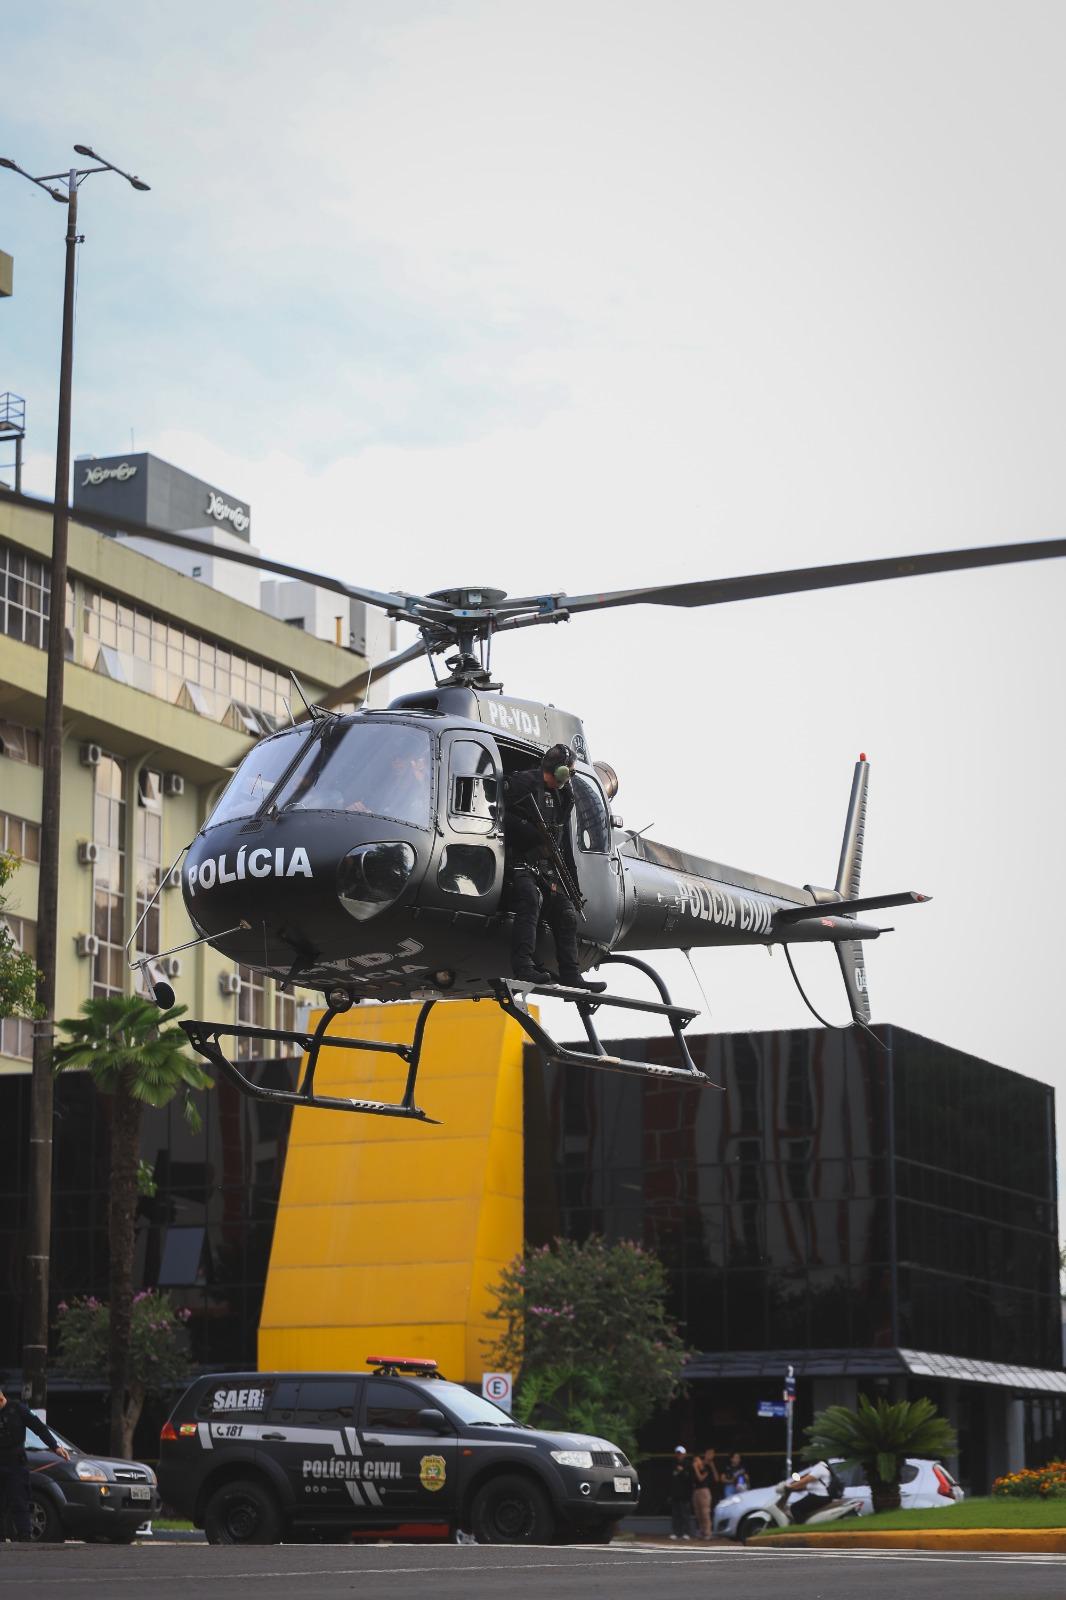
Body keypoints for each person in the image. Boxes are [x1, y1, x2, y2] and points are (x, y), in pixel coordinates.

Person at [502, 744, 606, 991]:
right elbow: (501, 816)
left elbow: (564, 844)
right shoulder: (523, 783)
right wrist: (530, 833)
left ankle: (571, 975)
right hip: (518, 864)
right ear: (560, 770)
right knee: (530, 898)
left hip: (546, 868)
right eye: (568, 771)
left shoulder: (564, 797)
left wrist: (573, 888)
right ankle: (523, 967)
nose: (570, 777)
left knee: (566, 912)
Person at [0, 1386, 69, 1542]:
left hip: (15, 1465)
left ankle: (24, 1538)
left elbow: (39, 1428)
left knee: (19, 1501)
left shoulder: (17, 1409)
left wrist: (55, 1447)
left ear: (1, 1398)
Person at [778, 1459, 836, 1523]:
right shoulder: (821, 1467)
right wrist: (794, 1489)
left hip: (819, 1496)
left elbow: (805, 1480)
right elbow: (808, 1484)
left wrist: (790, 1486)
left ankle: (802, 1525)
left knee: (794, 1508)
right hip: (821, 1496)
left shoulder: (819, 1468)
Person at [691, 1445, 719, 1538]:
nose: (709, 1455)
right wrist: (697, 1465)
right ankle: (701, 1531)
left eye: (711, 1454)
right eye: (708, 1453)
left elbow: (716, 1479)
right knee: (698, 1513)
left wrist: (712, 1465)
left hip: (704, 1490)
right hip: (696, 1490)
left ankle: (708, 1532)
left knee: (705, 1512)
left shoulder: (709, 1466)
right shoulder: (700, 1464)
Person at [668, 1445, 693, 1539]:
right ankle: (676, 1533)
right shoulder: (673, 1464)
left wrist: (682, 1471)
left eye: (681, 1453)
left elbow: (690, 1479)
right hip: (675, 1494)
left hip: (685, 1495)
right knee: (675, 1514)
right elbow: (671, 1480)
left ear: (684, 1454)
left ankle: (686, 1533)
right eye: (678, 1453)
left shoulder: (688, 1464)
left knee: (685, 1514)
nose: (679, 1455)